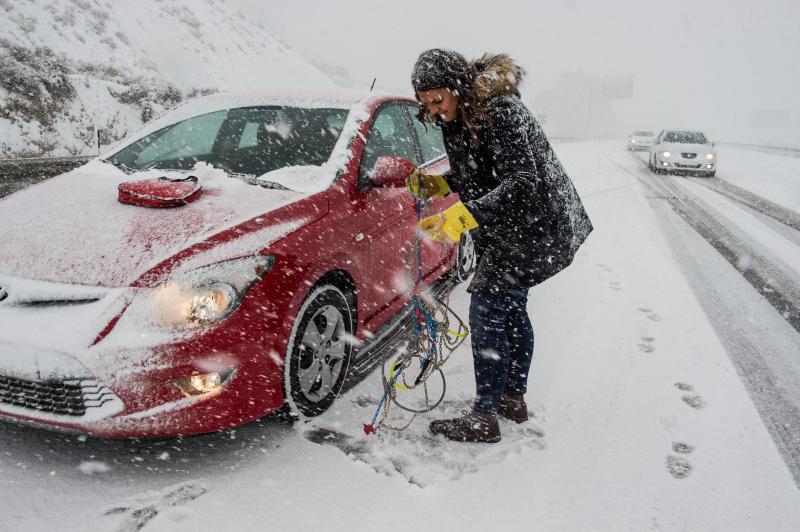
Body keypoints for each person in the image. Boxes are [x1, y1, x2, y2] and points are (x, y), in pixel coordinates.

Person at [410, 49, 593, 443]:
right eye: (426, 105)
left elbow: (522, 182)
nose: (435, 111)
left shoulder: (501, 111)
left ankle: (484, 416)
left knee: (488, 309)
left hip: (534, 226)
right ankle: (511, 398)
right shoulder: (459, 114)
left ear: (457, 87)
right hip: (512, 227)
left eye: (438, 100)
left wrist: (457, 220)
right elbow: (475, 169)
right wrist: (440, 182)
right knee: (510, 309)